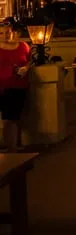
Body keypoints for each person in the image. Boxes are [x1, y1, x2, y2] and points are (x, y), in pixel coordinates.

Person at [0, 19, 31, 152]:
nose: (6, 35)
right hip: (2, 86)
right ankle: (10, 146)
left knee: (15, 117)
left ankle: (13, 146)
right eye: (2, 33)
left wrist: (26, 68)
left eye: (8, 32)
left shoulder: (23, 46)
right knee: (7, 118)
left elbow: (29, 61)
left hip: (18, 86)